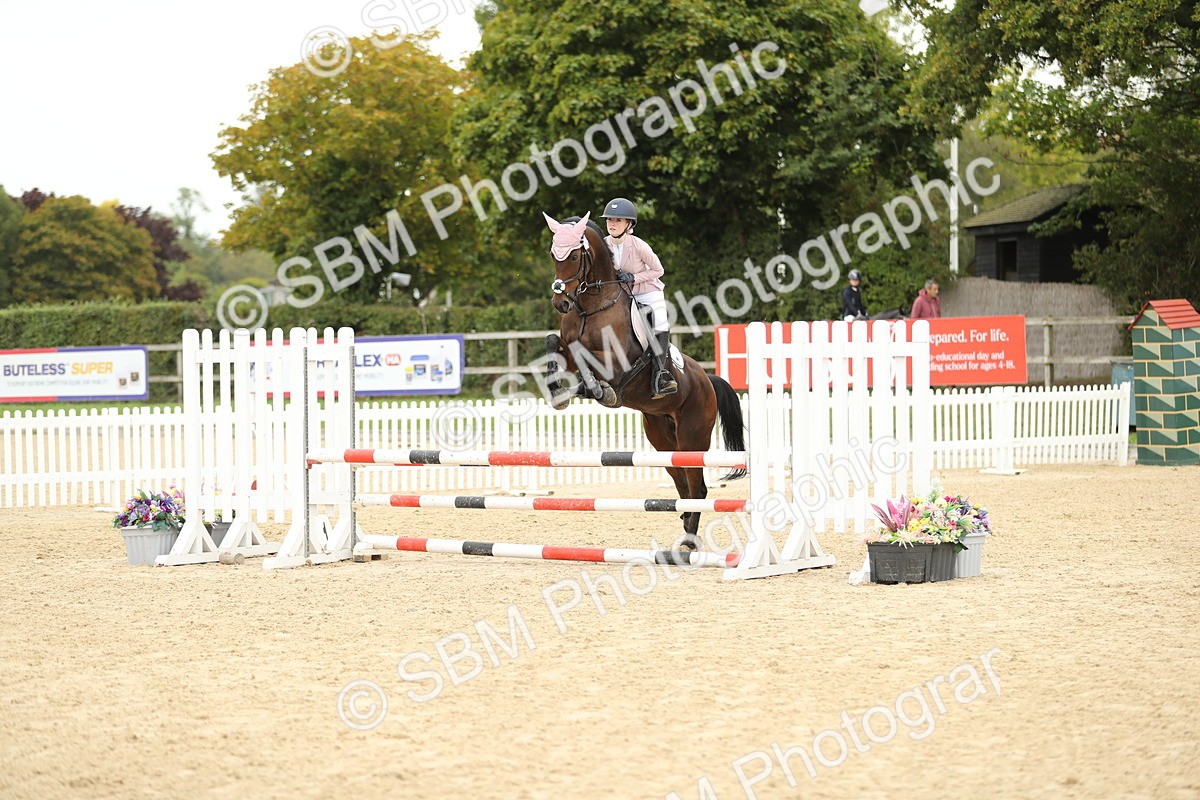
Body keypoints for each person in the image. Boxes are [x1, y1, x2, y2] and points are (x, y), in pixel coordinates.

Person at [601, 197, 677, 398]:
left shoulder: (639, 245)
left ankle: (660, 373)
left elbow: (658, 270)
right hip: (623, 294)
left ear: (629, 224)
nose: (612, 224)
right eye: (609, 220)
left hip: (648, 291)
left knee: (660, 322)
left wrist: (634, 277)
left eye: (618, 221)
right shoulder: (604, 245)